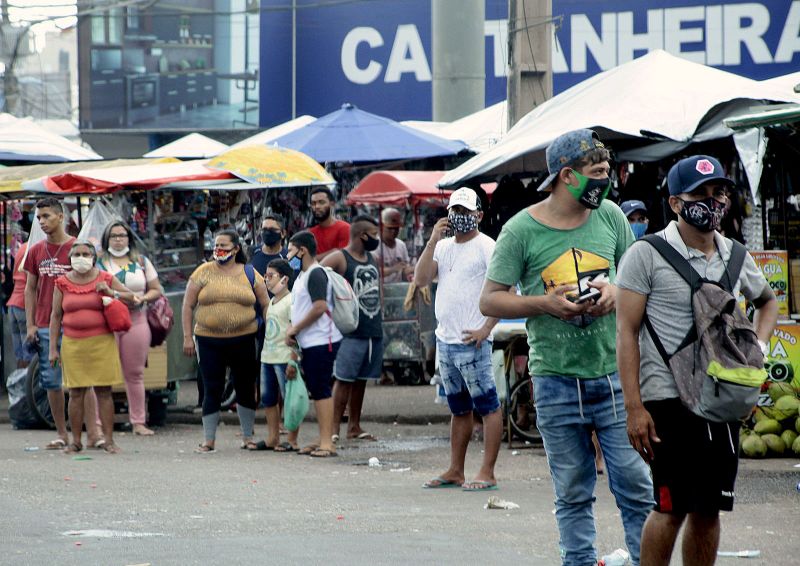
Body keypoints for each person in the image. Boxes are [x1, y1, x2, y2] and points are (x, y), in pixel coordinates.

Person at [479, 129, 653, 565]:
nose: (605, 180)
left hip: (615, 377)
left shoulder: (611, 217)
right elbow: (490, 299)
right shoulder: (520, 230)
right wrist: (546, 304)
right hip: (555, 380)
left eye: (607, 171)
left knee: (635, 486)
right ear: (566, 175)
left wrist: (613, 292)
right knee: (573, 491)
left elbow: (637, 282)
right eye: (596, 172)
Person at [616, 155, 778, 566]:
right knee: (670, 507)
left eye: (719, 193)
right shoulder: (646, 253)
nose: (713, 202)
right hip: (667, 399)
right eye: (700, 194)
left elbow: (767, 301)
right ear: (675, 203)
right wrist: (634, 407)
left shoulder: (736, 255)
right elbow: (626, 333)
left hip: (721, 398)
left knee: (709, 509)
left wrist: (755, 352)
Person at [415, 187, 502, 491]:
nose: (460, 217)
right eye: (456, 211)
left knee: (488, 406)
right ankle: (456, 470)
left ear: (479, 215)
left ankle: (487, 472)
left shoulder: (487, 247)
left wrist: (486, 329)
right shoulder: (442, 247)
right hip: (447, 340)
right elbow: (421, 280)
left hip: (472, 340)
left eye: (466, 212)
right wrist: (431, 241)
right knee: (458, 408)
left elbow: (505, 292)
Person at [23, 198, 103, 451]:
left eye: (46, 216)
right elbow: (30, 288)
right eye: (39, 218)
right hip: (46, 324)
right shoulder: (35, 251)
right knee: (51, 380)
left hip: (75, 323)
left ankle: (94, 433)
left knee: (83, 380)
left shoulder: (77, 249)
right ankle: (61, 433)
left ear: (60, 216)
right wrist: (31, 325)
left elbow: (94, 280)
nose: (42, 222)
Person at [182, 230, 269, 453]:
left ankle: (248, 436)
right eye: (216, 245)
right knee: (212, 388)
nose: (219, 250)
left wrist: (270, 329)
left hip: (244, 339)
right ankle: (208, 440)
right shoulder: (203, 272)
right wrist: (186, 337)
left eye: (224, 245)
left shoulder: (249, 273)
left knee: (245, 387)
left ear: (236, 249)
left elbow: (266, 303)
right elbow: (187, 305)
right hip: (209, 340)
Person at [49, 240, 135, 454]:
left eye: (85, 254)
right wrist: (53, 347)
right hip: (72, 344)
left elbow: (131, 298)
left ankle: (109, 441)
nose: (81, 258)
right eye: (76, 254)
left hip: (101, 342)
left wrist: (110, 292)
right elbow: (55, 316)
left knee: (104, 392)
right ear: (70, 258)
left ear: (93, 257)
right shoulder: (61, 282)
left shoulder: (105, 278)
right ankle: (76, 441)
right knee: (76, 393)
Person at [98, 221, 163, 436]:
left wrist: (143, 298)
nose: (118, 239)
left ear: (129, 238)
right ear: (107, 239)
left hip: (137, 319)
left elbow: (156, 289)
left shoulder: (142, 262)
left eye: (122, 235)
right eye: (114, 235)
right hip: (106, 323)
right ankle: (97, 424)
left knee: (134, 374)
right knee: (102, 375)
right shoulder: (98, 263)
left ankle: (138, 422)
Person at [322, 215, 383, 443]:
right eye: (374, 234)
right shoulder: (340, 257)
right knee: (344, 379)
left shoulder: (372, 258)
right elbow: (316, 275)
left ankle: (354, 427)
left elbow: (378, 288)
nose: (376, 238)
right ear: (362, 235)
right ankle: (334, 427)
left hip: (373, 328)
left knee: (361, 379)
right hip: (350, 330)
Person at [285, 231, 342, 458]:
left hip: (322, 340)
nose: (288, 255)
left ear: (302, 250)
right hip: (310, 341)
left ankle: (327, 443)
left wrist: (295, 328)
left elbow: (319, 307)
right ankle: (322, 437)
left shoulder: (316, 274)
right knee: (317, 390)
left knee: (321, 391)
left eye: (290, 250)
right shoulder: (302, 275)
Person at [258, 258, 298, 452]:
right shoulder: (272, 302)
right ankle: (272, 437)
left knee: (289, 398)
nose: (267, 280)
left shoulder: (292, 302)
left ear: (285, 279)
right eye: (266, 276)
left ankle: (291, 439)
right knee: (268, 399)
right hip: (268, 357)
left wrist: (293, 360)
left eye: (271, 276)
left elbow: (295, 334)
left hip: (284, 358)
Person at [7, 241, 33, 368]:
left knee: (20, 354)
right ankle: (27, 385)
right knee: (29, 354)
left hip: (13, 304)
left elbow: (14, 276)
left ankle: (20, 385)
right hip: (24, 304)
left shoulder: (22, 248)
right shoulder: (35, 248)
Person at [307, 187, 350, 259]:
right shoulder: (310, 233)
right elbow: (307, 260)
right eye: (313, 203)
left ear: (332, 204)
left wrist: (315, 258)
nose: (317, 206)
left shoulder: (344, 228)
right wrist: (333, 252)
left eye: (321, 202)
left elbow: (344, 258)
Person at [373, 208, 413, 283]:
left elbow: (404, 271)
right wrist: (393, 269)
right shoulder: (375, 245)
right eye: (390, 228)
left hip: (397, 287)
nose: (393, 231)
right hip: (380, 289)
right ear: (381, 227)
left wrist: (412, 269)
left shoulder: (401, 245)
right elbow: (374, 271)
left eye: (396, 228)